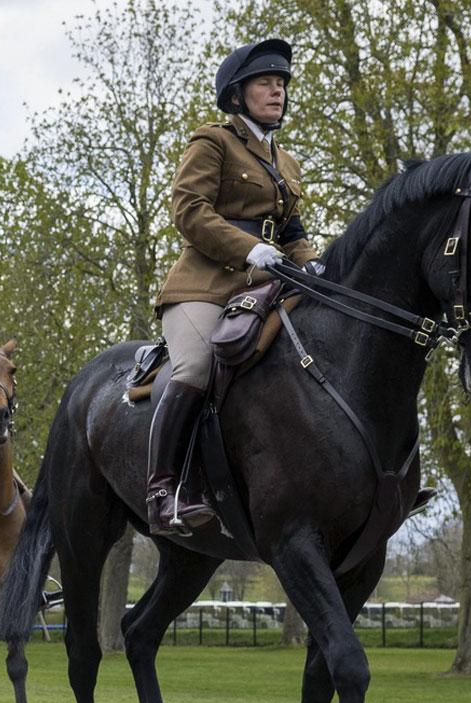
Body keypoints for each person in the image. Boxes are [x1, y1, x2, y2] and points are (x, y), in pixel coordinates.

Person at [151, 38, 323, 536]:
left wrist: (314, 267)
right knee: (198, 363)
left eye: (283, 84)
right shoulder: (213, 142)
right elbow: (188, 210)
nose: (278, 91)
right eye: (266, 83)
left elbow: (292, 233)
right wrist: (248, 249)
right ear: (237, 94)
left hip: (270, 282)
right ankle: (164, 490)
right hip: (203, 287)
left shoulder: (286, 162)